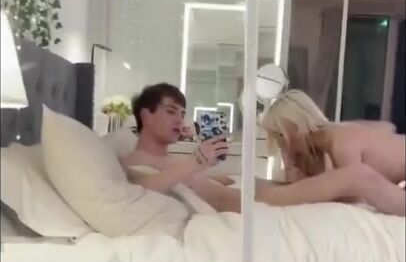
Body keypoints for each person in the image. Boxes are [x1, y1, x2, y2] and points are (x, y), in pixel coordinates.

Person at [120, 83, 405, 216]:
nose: (180, 120)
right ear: (146, 115)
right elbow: (139, 188)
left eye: (182, 114)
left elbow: (188, 182)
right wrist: (196, 163)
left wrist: (212, 173)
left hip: (245, 191)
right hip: (242, 199)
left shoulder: (166, 159)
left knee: (349, 176)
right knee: (357, 176)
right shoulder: (135, 159)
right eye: (171, 112)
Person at [260, 89, 405, 187]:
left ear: (296, 127)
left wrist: (304, 184)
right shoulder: (332, 140)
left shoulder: (340, 144)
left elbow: (356, 196)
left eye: (280, 136)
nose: (282, 146)